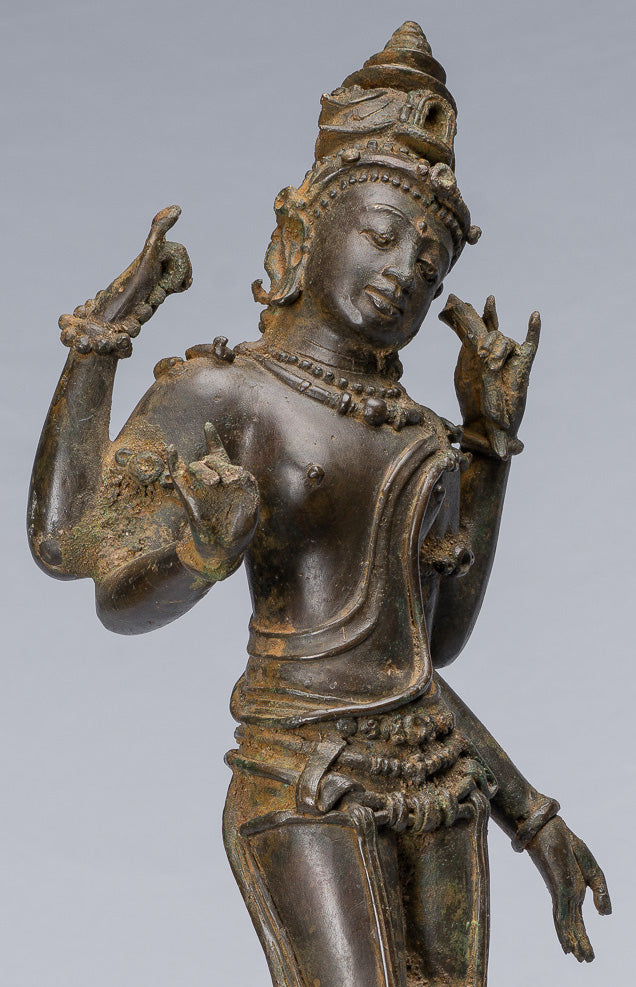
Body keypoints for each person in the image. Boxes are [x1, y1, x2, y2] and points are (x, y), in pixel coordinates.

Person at [28, 22, 610, 987]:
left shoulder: (421, 437)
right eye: (382, 234)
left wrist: (486, 444)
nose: (404, 271)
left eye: (431, 265)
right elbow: (73, 551)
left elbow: (426, 653)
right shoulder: (230, 394)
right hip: (301, 780)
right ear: (308, 227)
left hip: (441, 783)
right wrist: (102, 351)